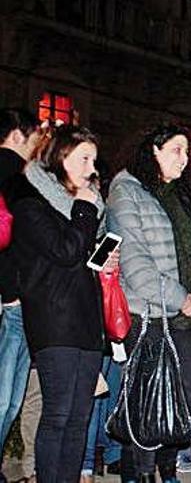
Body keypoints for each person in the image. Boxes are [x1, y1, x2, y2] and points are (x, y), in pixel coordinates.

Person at [106, 124, 191, 483]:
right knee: (148, 400)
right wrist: (180, 298)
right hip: (148, 315)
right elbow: (135, 261)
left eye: (188, 152)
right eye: (176, 150)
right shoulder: (126, 192)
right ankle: (141, 474)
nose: (185, 160)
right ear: (153, 150)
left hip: (185, 319)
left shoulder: (180, 199)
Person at [11, 125, 111, 482]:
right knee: (58, 413)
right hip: (54, 320)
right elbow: (65, 250)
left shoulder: (84, 206)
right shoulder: (30, 201)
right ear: (59, 157)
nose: (91, 168)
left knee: (80, 417)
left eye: (94, 160)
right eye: (83, 158)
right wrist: (84, 211)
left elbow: (82, 256)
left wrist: (103, 257)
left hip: (86, 319)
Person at [0, 108, 41, 478]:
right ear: (17, 136)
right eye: (34, 137)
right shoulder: (13, 176)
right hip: (12, 301)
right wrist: (10, 292)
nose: (38, 145)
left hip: (15, 299)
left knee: (11, 399)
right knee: (5, 399)